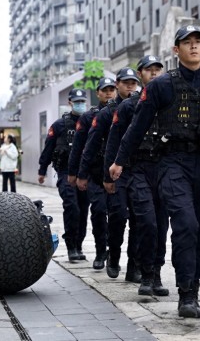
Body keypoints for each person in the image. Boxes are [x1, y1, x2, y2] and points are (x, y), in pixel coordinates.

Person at [109, 25, 200, 318]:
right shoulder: (160, 86)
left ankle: (194, 286)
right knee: (185, 224)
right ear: (176, 50)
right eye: (187, 43)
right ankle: (185, 295)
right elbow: (136, 128)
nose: (193, 47)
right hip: (172, 163)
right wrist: (118, 162)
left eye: (198, 42)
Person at [105, 55, 169, 296]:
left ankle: (157, 274)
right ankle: (145, 273)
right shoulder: (128, 106)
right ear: (141, 74)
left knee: (162, 225)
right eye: (148, 70)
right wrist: (110, 174)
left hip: (164, 171)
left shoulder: (168, 102)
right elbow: (114, 142)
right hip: (136, 170)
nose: (153, 74)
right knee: (146, 223)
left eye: (157, 69)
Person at [77, 67, 141, 283]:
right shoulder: (105, 114)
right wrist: (84, 174)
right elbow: (91, 144)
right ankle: (112, 255)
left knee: (140, 219)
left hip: (139, 170)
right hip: (113, 173)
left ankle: (134, 266)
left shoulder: (143, 107)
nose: (130, 86)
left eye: (133, 82)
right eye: (125, 83)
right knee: (117, 217)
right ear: (118, 85)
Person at [68, 78, 116, 269]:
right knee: (97, 211)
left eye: (111, 89)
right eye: (105, 90)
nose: (108, 93)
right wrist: (77, 174)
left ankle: (114, 251)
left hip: (117, 173)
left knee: (118, 215)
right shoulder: (88, 118)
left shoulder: (124, 111)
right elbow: (79, 147)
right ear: (98, 93)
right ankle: (100, 251)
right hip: (95, 173)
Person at [38, 88, 90, 262]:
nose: (80, 104)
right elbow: (49, 148)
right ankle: (71, 247)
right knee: (72, 206)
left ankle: (79, 244)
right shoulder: (59, 125)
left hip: (85, 173)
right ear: (70, 103)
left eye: (83, 101)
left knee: (83, 210)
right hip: (65, 172)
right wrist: (42, 170)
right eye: (77, 101)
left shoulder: (91, 122)